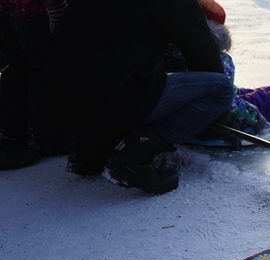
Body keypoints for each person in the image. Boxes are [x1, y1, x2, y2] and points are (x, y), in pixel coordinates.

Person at [47, 0, 235, 193]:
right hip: (106, 103)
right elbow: (202, 53)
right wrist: (220, 118)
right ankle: (135, 153)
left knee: (140, 62)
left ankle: (90, 153)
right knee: (220, 88)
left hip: (60, 103)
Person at [166, 0, 270, 143]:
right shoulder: (219, 60)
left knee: (242, 92)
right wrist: (257, 120)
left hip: (189, 109)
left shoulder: (170, 52)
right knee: (262, 102)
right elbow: (227, 102)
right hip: (218, 117)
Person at [0, 0, 67, 171]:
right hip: (33, 9)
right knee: (42, 68)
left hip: (7, 8)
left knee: (15, 67)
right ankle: (47, 138)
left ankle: (15, 135)